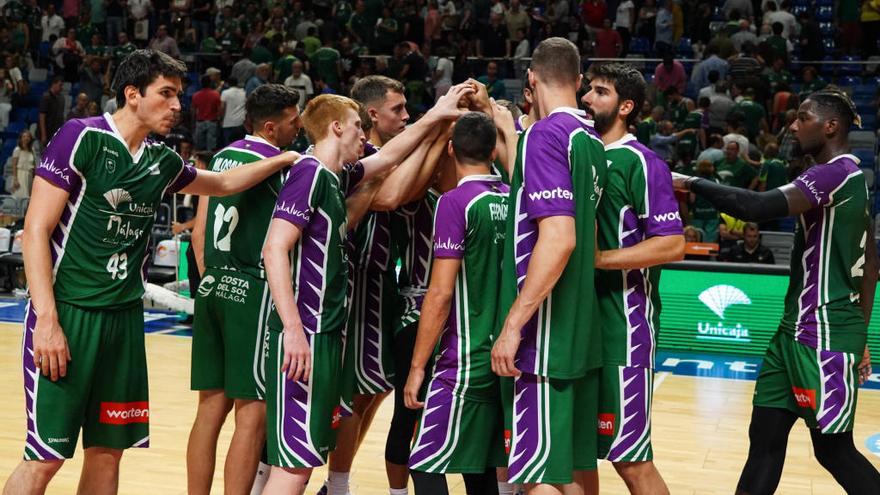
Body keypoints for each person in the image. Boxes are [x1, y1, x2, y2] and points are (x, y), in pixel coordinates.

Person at [2, 49, 303, 495]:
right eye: (166, 94)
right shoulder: (80, 137)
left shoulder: (161, 161)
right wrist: (46, 319)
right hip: (68, 314)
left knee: (108, 453)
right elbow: (34, 232)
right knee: (45, 457)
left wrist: (284, 160)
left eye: (179, 95)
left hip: (123, 320)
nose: (177, 105)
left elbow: (220, 184)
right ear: (132, 94)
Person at [259, 87, 471, 495]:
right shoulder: (309, 172)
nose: (364, 135)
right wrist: (292, 329)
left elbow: (389, 156)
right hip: (304, 334)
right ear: (337, 127)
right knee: (293, 466)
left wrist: (439, 114)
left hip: (325, 335)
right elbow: (273, 248)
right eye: (358, 126)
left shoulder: (336, 175)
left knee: (301, 463)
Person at [673, 89, 880, 493]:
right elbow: (871, 265)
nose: (793, 124)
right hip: (793, 331)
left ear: (831, 126)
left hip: (822, 332)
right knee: (764, 440)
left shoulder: (833, 173)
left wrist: (691, 181)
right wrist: (863, 333)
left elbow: (754, 207)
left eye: (803, 117)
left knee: (833, 450)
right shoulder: (852, 177)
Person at [492, 37, 607, 495]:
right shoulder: (591, 140)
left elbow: (559, 239)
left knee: (536, 479)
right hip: (578, 331)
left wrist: (513, 324)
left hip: (543, 337)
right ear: (579, 83)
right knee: (560, 477)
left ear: (532, 79)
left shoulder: (546, 134)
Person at [186, 84, 302, 495]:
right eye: (293, 120)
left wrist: (214, 281)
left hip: (212, 284)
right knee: (252, 414)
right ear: (271, 127)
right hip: (251, 291)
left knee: (208, 410)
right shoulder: (283, 165)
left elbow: (198, 235)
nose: (299, 126)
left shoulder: (220, 156)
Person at [582, 62, 684, 495]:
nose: (587, 98)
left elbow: (671, 245)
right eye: (587, 90)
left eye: (599, 92)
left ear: (626, 106)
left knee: (630, 458)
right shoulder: (579, 152)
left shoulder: (642, 163)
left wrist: (599, 259)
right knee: (577, 452)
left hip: (623, 329)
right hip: (577, 329)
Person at [403, 111, 509, 495]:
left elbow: (441, 292)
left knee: (426, 464)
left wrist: (418, 368)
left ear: (450, 150)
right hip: (505, 354)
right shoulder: (513, 198)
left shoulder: (455, 202)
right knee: (478, 464)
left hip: (464, 358)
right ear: (494, 151)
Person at [193, 75, 222, 151]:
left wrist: (192, 122)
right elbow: (219, 109)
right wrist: (219, 119)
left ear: (201, 83)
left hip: (200, 121)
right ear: (210, 83)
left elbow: (193, 110)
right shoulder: (216, 94)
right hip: (212, 122)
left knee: (199, 145)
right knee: (211, 146)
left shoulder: (196, 95)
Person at [10, 130, 37, 199]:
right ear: (21, 138)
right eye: (24, 136)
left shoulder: (32, 150)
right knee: (20, 197)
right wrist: (15, 179)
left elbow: (34, 165)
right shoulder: (17, 150)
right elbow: (14, 165)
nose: (26, 138)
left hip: (29, 175)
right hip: (20, 175)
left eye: (28, 136)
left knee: (28, 198)